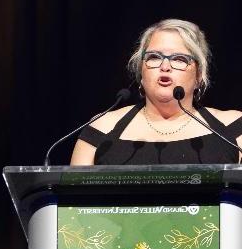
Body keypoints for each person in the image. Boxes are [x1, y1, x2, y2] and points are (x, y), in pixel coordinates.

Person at [70, 18, 242, 165]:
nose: (165, 66)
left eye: (179, 59)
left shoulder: (233, 129)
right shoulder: (101, 127)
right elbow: (72, 201)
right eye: (154, 57)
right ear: (141, 72)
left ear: (199, 76)